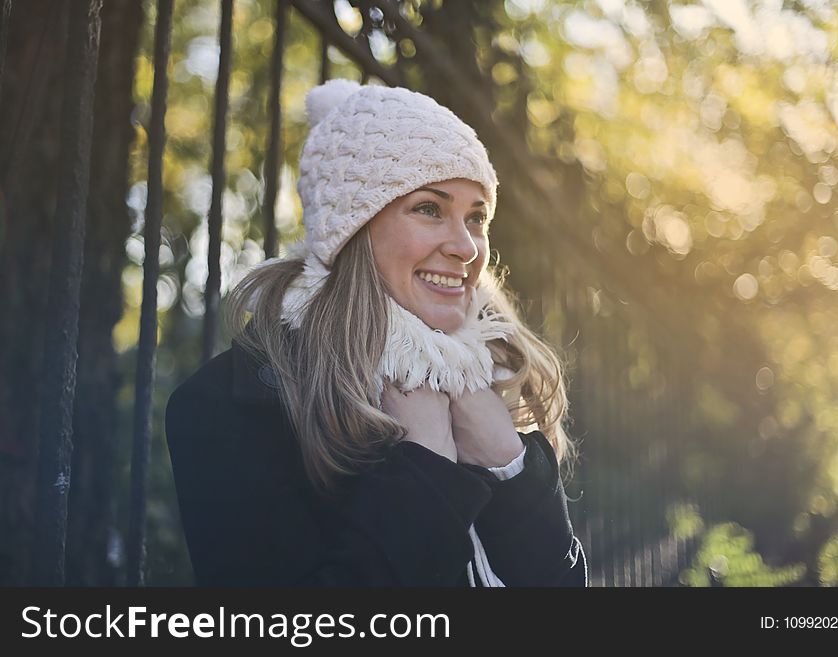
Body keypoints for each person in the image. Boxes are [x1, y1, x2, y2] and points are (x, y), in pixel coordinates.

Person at [165, 79, 588, 587]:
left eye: (476, 217)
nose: (468, 247)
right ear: (353, 230)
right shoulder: (231, 405)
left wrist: (508, 466)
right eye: (430, 209)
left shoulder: (492, 378)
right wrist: (427, 466)